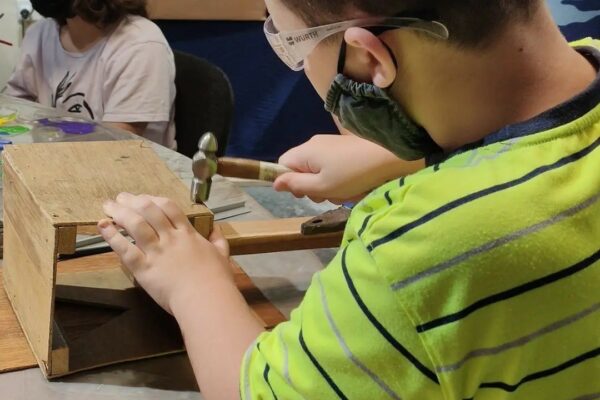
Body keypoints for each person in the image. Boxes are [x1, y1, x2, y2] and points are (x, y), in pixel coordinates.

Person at [97, 0, 600, 398]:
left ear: (368, 58)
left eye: (292, 45)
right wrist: (402, 157)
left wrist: (193, 284)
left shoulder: (416, 251)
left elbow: (255, 389)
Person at [5, 0, 176, 148]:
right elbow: (14, 112)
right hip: (55, 165)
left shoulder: (141, 45)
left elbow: (117, 146)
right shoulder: (39, 34)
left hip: (129, 175)